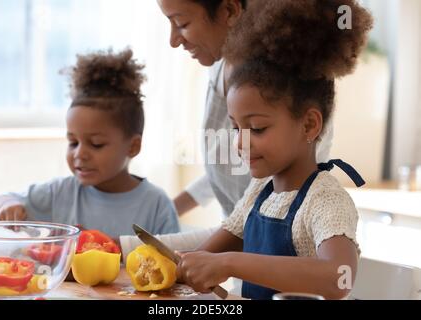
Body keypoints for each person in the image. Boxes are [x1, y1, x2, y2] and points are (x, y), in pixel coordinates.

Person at [176, 0, 373, 300]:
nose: (241, 142)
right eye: (235, 127)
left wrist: (229, 263)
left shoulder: (325, 200)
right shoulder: (259, 192)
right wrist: (178, 265)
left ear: (308, 125)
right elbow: (201, 258)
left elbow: (340, 278)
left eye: (257, 129)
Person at [119, 0, 334, 260]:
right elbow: (231, 170)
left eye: (181, 23)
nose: (173, 41)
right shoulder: (221, 66)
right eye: (235, 127)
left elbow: (248, 233)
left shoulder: (285, 86)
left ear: (229, 11)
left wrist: (127, 248)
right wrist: (166, 212)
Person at [0, 49, 180, 239]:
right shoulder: (58, 193)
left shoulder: (156, 205)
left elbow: (172, 260)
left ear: (133, 147)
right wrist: (7, 205)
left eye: (96, 144)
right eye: (73, 142)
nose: (80, 154)